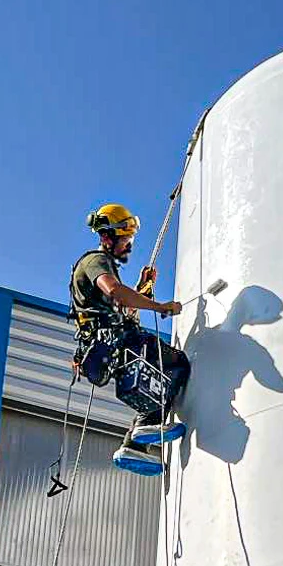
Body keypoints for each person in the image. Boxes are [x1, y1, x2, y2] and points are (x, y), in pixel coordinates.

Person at [69, 203, 190, 475]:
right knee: (176, 364)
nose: (129, 245)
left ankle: (133, 446)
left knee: (155, 384)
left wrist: (141, 290)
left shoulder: (105, 266)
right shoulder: (95, 262)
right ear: (107, 237)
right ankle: (143, 430)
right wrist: (159, 306)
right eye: (125, 239)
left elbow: (120, 306)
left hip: (112, 346)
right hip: (120, 341)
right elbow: (115, 292)